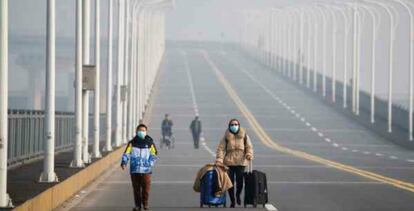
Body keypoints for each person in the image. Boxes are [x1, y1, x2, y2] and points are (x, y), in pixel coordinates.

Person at [215, 119, 253, 208]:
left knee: (240, 182)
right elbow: (220, 148)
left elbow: (249, 146)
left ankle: (238, 195)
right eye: (232, 124)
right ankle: (232, 200)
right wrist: (219, 159)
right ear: (229, 126)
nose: (234, 126)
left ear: (239, 125)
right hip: (229, 162)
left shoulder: (244, 136)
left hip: (241, 162)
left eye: (236, 124)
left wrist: (249, 154)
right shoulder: (226, 137)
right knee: (230, 182)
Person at [121, 124, 158, 211]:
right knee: (136, 189)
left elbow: (154, 154)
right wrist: (124, 162)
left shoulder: (150, 143)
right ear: (137, 132)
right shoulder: (132, 143)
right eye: (140, 130)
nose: (142, 132)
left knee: (146, 189)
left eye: (143, 130)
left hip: (146, 170)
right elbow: (126, 153)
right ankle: (137, 206)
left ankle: (145, 204)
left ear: (146, 132)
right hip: (134, 170)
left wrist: (150, 163)